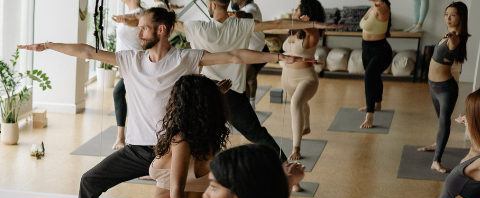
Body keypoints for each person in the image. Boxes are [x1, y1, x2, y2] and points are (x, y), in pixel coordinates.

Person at [18, 7, 312, 198]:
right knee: (89, 181)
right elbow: (87, 52)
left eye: (144, 28)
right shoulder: (130, 60)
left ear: (161, 30)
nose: (138, 32)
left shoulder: (184, 59)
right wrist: (48, 45)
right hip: (138, 149)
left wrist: (278, 58)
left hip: (176, 150)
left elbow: (233, 56)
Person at [115, 1, 339, 162]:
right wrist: (315, 25)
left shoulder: (197, 28)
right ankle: (287, 169)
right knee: (255, 135)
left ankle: (168, 168)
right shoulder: (241, 26)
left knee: (199, 136)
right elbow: (277, 24)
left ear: (212, 5)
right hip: (232, 93)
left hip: (206, 94)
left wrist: (138, 17)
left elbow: (168, 23)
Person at [417, 3, 469, 173]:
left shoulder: (455, 37)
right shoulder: (449, 34)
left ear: (460, 17)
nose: (448, 18)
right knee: (441, 120)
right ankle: (438, 145)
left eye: (452, 15)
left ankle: (436, 161)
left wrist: (451, 37)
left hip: (446, 89)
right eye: (446, 14)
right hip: (433, 87)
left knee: (444, 121)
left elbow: (454, 41)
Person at [281, 0, 329, 168]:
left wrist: (306, 22)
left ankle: (296, 147)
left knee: (296, 103)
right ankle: (306, 126)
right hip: (288, 77)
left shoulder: (312, 33)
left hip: (306, 78)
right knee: (301, 102)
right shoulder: (297, 32)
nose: (294, 10)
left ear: (306, 13)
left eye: (298, 8)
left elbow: (312, 29)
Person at [112, 0, 147, 152]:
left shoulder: (141, 14)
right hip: (127, 66)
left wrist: (127, 20)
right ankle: (124, 136)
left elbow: (136, 22)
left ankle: (123, 137)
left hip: (136, 65)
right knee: (121, 94)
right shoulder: (130, 14)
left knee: (119, 93)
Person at [359, 0, 392, 129]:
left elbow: (383, 9)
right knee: (374, 76)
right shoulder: (372, 6)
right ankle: (377, 104)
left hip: (381, 51)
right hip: (366, 50)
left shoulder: (383, 8)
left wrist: (380, 6)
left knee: (369, 77)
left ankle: (369, 116)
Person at [232, 0, 268, 105]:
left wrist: (239, 15)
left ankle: (247, 108)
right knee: (251, 79)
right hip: (255, 50)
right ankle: (251, 105)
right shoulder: (243, 8)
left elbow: (248, 15)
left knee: (243, 80)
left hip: (257, 52)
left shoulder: (252, 8)